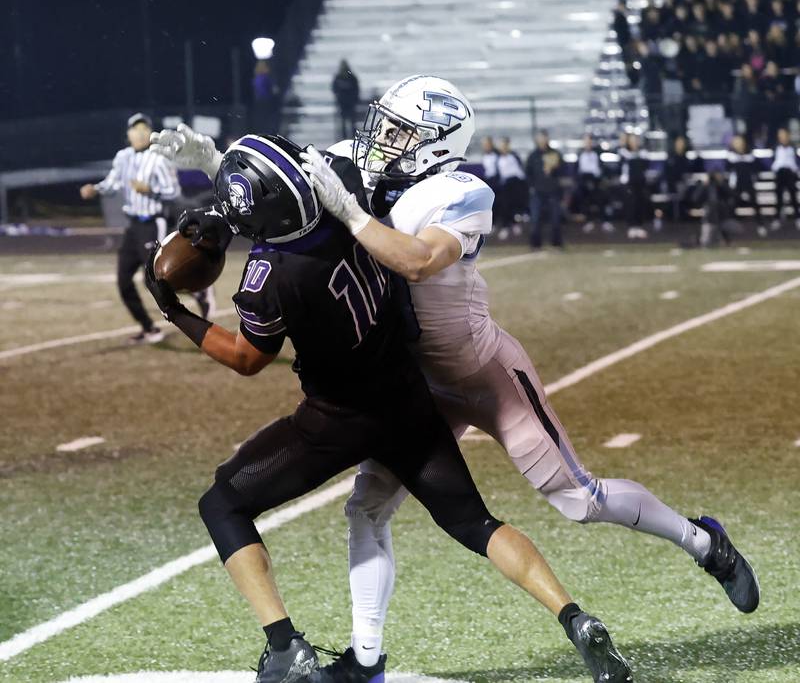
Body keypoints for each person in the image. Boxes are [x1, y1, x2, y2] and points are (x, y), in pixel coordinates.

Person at [301, 74, 759, 682]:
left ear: (436, 142)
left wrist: (349, 210)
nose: (381, 139)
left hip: (486, 372)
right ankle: (366, 661)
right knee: (366, 508)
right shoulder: (375, 174)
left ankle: (705, 543)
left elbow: (416, 261)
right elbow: (289, 170)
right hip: (417, 387)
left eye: (398, 129)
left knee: (579, 501)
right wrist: (223, 173)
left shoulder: (460, 190)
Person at [147, 130, 634, 683]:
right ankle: (576, 619)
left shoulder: (270, 277)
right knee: (475, 523)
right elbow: (290, 178)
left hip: (336, 420)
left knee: (223, 504)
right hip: (408, 399)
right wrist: (219, 168)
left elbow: (245, 357)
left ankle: (284, 645)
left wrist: (173, 309)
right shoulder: (343, 200)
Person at [79, 113, 179, 343]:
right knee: (124, 281)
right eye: (135, 129)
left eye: (144, 128)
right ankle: (149, 328)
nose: (140, 133)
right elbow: (113, 182)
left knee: (156, 279)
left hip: (153, 222)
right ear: (128, 134)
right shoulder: (123, 157)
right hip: (133, 226)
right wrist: (95, 189)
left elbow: (173, 192)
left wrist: (149, 190)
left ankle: (196, 298)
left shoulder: (159, 158)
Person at [525, 130, 564, 248]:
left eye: (544, 138)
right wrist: (532, 186)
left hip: (553, 191)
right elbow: (528, 173)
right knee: (535, 219)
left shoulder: (555, 153)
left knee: (556, 218)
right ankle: (535, 244)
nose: (542, 141)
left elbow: (562, 171)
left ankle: (556, 243)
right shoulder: (533, 155)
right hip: (537, 191)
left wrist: (555, 168)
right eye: (540, 138)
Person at [573, 134, 613, 233]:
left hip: (596, 180)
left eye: (589, 142)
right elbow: (577, 170)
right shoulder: (580, 154)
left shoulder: (597, 153)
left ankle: (604, 221)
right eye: (586, 142)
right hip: (584, 180)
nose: (588, 144)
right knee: (584, 197)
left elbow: (602, 168)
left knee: (601, 196)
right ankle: (589, 221)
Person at [727, 134, 766, 235]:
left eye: (739, 141)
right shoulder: (730, 155)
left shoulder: (750, 154)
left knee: (755, 203)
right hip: (736, 185)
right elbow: (728, 169)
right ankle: (731, 227)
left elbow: (757, 168)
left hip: (748, 184)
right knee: (732, 204)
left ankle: (760, 225)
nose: (738, 144)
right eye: (736, 142)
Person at [495, 136, 528, 238]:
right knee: (505, 206)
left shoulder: (514, 156)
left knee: (514, 206)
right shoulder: (498, 158)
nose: (503, 147)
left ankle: (514, 224)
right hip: (504, 185)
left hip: (515, 184)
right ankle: (505, 226)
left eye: (505, 145)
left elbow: (520, 171)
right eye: (502, 145)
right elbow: (499, 173)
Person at [770, 127, 800, 229]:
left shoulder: (793, 147)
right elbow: (772, 160)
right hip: (779, 173)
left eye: (784, 135)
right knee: (778, 197)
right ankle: (777, 219)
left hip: (790, 173)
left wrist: (795, 169)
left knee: (793, 197)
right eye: (780, 135)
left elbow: (796, 160)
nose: (782, 137)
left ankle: (797, 218)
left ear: (788, 136)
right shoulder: (775, 147)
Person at [332, 59, 360, 140]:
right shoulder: (338, 77)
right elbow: (334, 89)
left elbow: (356, 89)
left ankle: (353, 137)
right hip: (342, 103)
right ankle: (343, 138)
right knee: (343, 123)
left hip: (350, 103)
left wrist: (354, 99)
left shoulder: (351, 77)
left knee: (352, 122)